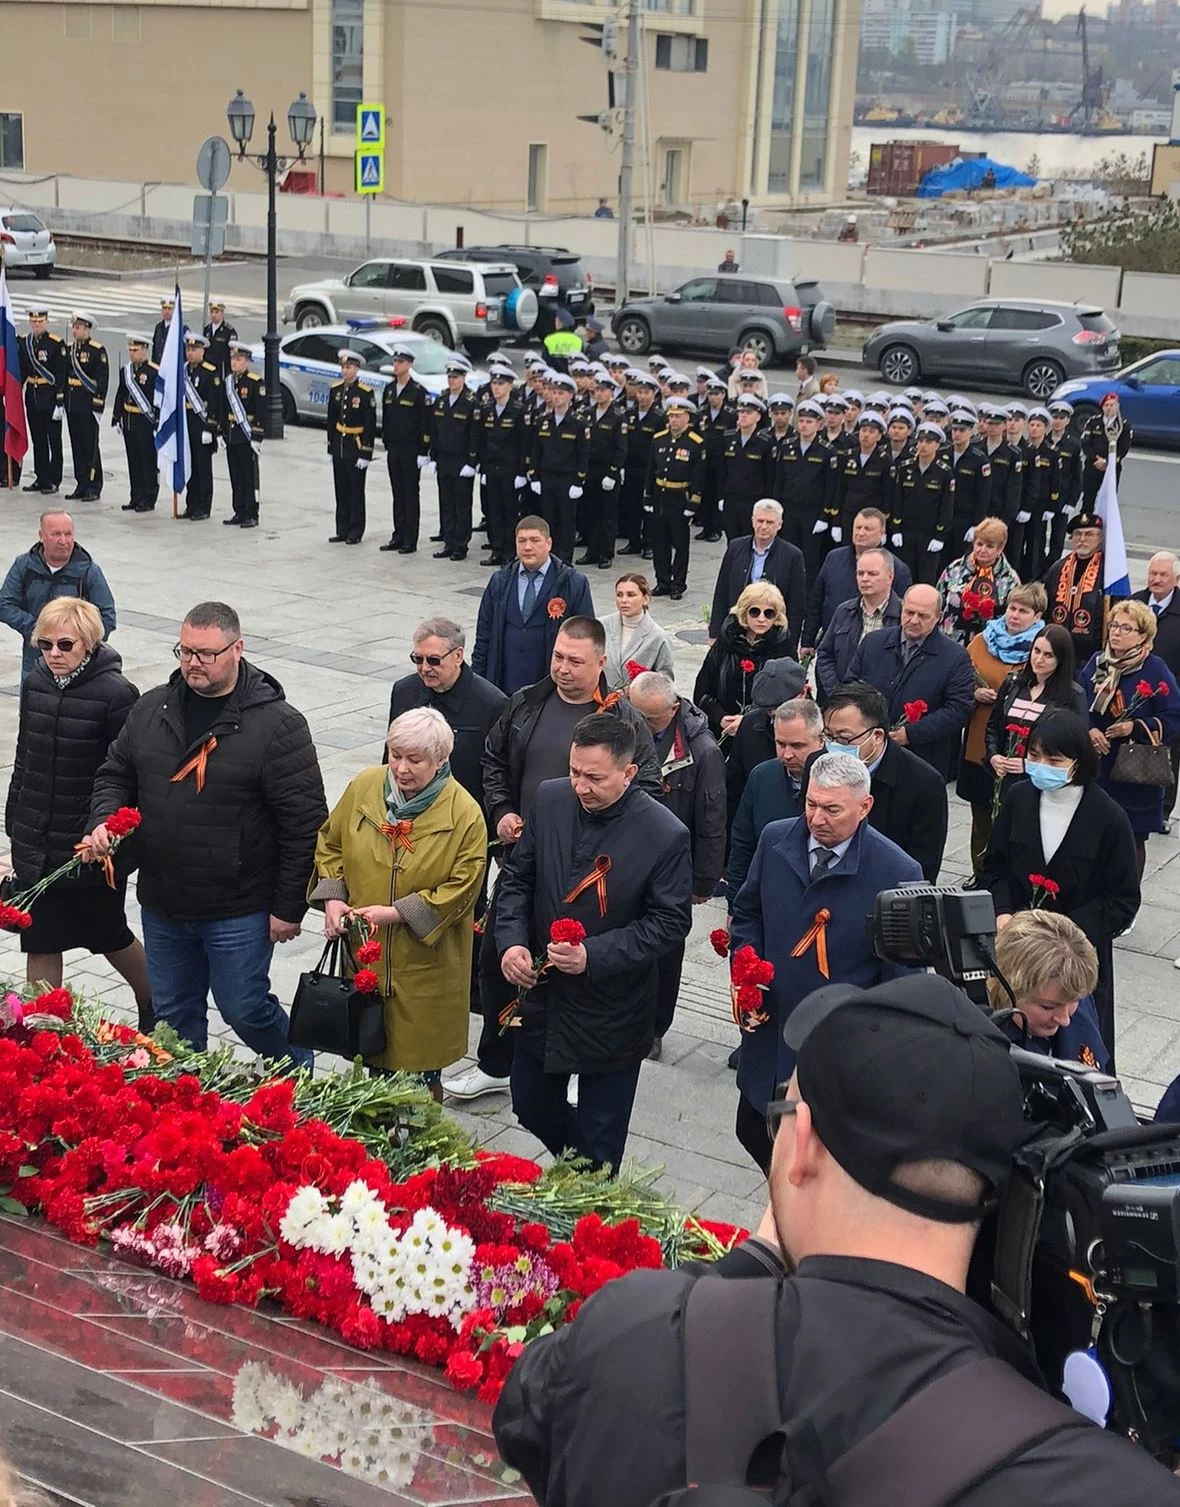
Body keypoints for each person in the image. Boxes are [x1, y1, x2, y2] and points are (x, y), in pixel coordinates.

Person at [493, 968, 1180, 1507]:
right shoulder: (1105, 1482)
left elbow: (528, 1411)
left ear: (804, 1145)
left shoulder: (632, 1332)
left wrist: (751, 1263)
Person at [85, 602, 327, 1065]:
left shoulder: (278, 725)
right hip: (163, 900)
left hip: (237, 906)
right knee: (173, 1017)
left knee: (245, 1008)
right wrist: (104, 817)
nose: (193, 662)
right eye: (185, 651)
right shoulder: (151, 707)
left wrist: (289, 906)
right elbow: (115, 773)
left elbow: (305, 823)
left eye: (206, 653)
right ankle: (186, 1108)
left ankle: (296, 1062)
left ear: (238, 649)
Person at [444, 617, 660, 1103]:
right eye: (558, 657)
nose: (563, 668)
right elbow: (493, 761)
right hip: (526, 859)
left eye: (575, 661)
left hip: (594, 877)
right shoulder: (526, 703)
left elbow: (645, 792)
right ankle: (496, 1061)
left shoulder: (625, 721)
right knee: (499, 958)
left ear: (601, 663)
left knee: (575, 972)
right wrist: (501, 811)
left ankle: (581, 1068)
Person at [495, 714, 692, 1171]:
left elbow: (668, 923)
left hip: (613, 1005)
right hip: (543, 995)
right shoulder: (550, 799)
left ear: (628, 774)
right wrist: (510, 942)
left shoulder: (664, 834)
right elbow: (518, 879)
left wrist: (593, 956)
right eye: (574, 772)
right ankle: (581, 1170)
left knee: (603, 1132)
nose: (580, 786)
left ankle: (589, 1195)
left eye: (595, 778)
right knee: (528, 1101)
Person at [730, 752, 922, 1170]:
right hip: (771, 1030)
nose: (816, 819)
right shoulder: (776, 839)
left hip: (832, 1048)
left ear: (864, 807)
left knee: (804, 1159)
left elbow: (903, 981)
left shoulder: (897, 872)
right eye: (811, 804)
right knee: (754, 1132)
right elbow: (748, 913)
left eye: (832, 809)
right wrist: (746, 969)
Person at [311, 708, 486, 1096]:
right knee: (370, 1059)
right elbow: (331, 843)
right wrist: (334, 899)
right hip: (366, 957)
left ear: (441, 760)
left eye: (415, 759)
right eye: (395, 755)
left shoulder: (465, 814)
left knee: (419, 1078)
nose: (402, 769)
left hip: (427, 967)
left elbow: (463, 887)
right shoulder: (364, 786)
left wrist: (395, 913)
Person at [5, 599, 152, 1031]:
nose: (53, 653)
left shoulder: (117, 694)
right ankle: (43, 1030)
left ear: (88, 644)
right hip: (37, 837)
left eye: (65, 644)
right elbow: (24, 756)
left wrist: (106, 834)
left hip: (88, 845)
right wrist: (15, 821)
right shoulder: (35, 684)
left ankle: (154, 1003)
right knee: (41, 935)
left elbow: (127, 774)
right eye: (45, 644)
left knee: (107, 932)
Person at [983, 709, 1140, 1062]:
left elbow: (1122, 901)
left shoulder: (1109, 818)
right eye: (1034, 756)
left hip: (1074, 960)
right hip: (1016, 952)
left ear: (1078, 761)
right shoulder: (1019, 798)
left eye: (1054, 759)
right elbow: (995, 868)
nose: (1041, 766)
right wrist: (1004, 912)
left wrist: (1062, 936)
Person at [629, 671, 726, 1058]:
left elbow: (712, 817)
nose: (639, 724)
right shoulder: (624, 730)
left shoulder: (702, 751)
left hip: (672, 868)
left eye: (649, 719)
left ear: (672, 709)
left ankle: (655, 1029)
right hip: (627, 858)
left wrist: (703, 880)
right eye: (634, 714)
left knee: (665, 951)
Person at [1079, 596, 1180, 877]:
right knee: (1092, 833)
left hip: (1135, 771)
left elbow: (1174, 716)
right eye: (1114, 625)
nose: (1116, 632)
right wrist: (1090, 728)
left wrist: (1134, 727)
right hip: (1098, 764)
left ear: (1143, 636)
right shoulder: (1101, 662)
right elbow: (1079, 700)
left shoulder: (1154, 667)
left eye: (1126, 628)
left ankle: (1127, 900)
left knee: (1131, 839)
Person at [814, 681, 948, 884]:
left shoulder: (924, 784)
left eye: (843, 739)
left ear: (877, 736)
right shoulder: (818, 764)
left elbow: (922, 870)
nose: (833, 746)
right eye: (828, 736)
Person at [956, 583, 1047, 875]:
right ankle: (979, 872)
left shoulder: (1041, 648)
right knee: (981, 813)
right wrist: (973, 693)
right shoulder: (983, 641)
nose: (1015, 615)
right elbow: (959, 678)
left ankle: (1004, 875)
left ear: (1037, 615)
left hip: (1017, 749)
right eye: (1011, 608)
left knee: (1010, 816)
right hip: (980, 743)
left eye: (1023, 611)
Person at [846, 584, 975, 780]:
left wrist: (910, 734)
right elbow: (850, 686)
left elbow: (958, 710)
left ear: (938, 617)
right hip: (866, 753)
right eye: (909, 612)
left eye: (923, 616)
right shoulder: (873, 643)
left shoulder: (955, 657)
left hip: (921, 760)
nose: (913, 620)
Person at [387, 617, 507, 815]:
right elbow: (389, 751)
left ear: (458, 656)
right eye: (418, 659)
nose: (425, 668)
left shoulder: (492, 704)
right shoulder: (404, 691)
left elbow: (497, 771)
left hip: (462, 813)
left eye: (433, 660)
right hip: (408, 811)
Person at [472, 516, 594, 696]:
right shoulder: (500, 582)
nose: (527, 547)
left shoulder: (573, 583)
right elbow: (484, 635)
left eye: (535, 540)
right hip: (504, 685)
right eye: (521, 541)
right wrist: (478, 682)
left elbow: (587, 638)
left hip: (550, 685)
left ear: (549, 543)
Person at [727, 696, 824, 900]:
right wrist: (735, 902)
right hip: (768, 894)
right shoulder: (761, 777)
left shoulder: (836, 783)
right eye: (781, 743)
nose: (787, 755)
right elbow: (743, 843)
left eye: (797, 746)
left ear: (821, 739)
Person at [985, 623, 1085, 818]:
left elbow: (1076, 747)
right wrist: (993, 755)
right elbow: (994, 726)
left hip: (1045, 783)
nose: (1039, 659)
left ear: (1061, 659)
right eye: (1036, 651)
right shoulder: (1013, 683)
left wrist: (1030, 764)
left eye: (1048, 655)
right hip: (1005, 777)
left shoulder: (1073, 695)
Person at [987, 909, 1108, 1069]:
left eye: (1074, 1002)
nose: (1065, 1020)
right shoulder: (986, 1049)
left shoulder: (1071, 993)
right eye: (1048, 1007)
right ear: (1007, 989)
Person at [0, 511, 116, 678]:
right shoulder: (24, 565)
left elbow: (107, 616)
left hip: (77, 668)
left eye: (68, 534)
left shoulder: (89, 571)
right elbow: (4, 604)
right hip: (34, 660)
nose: (64, 541)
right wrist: (39, 630)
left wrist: (77, 642)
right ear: (41, 536)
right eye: (56, 534)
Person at [695, 582, 795, 743]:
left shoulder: (782, 647)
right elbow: (703, 688)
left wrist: (748, 721)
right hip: (721, 730)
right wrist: (720, 717)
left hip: (762, 735)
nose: (761, 619)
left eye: (769, 613)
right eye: (755, 612)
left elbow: (787, 698)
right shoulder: (726, 641)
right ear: (744, 612)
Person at [800, 507, 911, 654]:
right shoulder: (833, 558)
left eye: (867, 528)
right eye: (858, 527)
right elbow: (816, 601)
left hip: (877, 650)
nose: (861, 532)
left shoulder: (897, 569)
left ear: (882, 533)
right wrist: (807, 640)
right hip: (833, 645)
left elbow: (903, 613)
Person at [723, 657, 809, 829]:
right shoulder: (750, 725)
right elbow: (733, 787)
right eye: (771, 713)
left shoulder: (823, 730)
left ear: (804, 692)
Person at [707, 500, 805, 649]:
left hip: (772, 633)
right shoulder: (735, 547)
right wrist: (715, 632)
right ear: (752, 521)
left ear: (779, 525)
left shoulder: (792, 556)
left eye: (770, 522)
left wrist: (790, 644)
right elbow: (722, 590)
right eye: (760, 520)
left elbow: (796, 604)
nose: (764, 526)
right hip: (736, 628)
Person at [815, 546, 900, 701]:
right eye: (860, 573)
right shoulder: (844, 611)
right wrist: (837, 693)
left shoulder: (903, 615)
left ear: (890, 576)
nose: (865, 578)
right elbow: (825, 654)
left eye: (872, 574)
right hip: (842, 701)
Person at [1133, 550, 1180, 822]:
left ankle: (1163, 809)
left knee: (1169, 752)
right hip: (1135, 692)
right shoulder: (1135, 603)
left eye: (1163, 575)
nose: (1157, 579)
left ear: (1175, 579)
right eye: (1153, 573)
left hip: (1171, 694)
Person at [646, 395, 705, 601]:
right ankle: (662, 581)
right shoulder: (659, 438)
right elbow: (650, 470)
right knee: (659, 541)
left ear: (688, 418)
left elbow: (699, 475)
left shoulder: (695, 443)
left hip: (680, 497)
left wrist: (693, 502)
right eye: (671, 416)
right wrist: (647, 496)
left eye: (678, 416)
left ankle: (678, 583)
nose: (674, 420)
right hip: (660, 495)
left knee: (680, 543)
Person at [775, 397, 839, 577]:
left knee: (809, 560)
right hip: (789, 509)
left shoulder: (827, 451)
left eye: (809, 422)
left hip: (812, 513)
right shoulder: (787, 447)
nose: (804, 425)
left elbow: (830, 487)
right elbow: (779, 481)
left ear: (819, 424)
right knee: (786, 556)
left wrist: (824, 516)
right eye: (801, 421)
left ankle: (808, 600)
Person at [378, 343, 430, 556]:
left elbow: (425, 422)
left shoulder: (418, 392)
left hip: (411, 450)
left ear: (409, 365)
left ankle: (410, 538)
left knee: (410, 494)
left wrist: (423, 450)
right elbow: (387, 419)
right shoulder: (390, 389)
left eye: (400, 362)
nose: (396, 365)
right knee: (397, 493)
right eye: (395, 361)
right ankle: (398, 534)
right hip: (395, 449)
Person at [937, 516, 1020, 647]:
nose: (982, 550)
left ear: (1000, 548)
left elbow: (1012, 617)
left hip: (987, 645)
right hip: (949, 641)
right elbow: (939, 599)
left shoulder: (1010, 578)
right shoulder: (955, 568)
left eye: (990, 546)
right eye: (979, 544)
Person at [427, 353, 479, 561]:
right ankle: (448, 542)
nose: (452, 380)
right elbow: (435, 431)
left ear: (464, 378)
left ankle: (460, 545)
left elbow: (475, 434)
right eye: (449, 377)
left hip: (461, 460)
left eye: (456, 377)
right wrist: (433, 456)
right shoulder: (441, 401)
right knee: (446, 502)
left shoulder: (471, 402)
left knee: (461, 504)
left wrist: (472, 462)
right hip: (444, 459)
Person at [890, 421, 954, 586]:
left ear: (937, 445)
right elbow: (897, 500)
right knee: (904, 578)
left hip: (929, 534)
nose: (923, 445)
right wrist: (896, 528)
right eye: (920, 441)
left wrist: (940, 535)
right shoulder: (905, 468)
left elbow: (947, 505)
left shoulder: (944, 472)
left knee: (926, 579)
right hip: (906, 532)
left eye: (929, 441)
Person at [1044, 512, 1109, 669]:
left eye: (1089, 534)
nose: (1082, 539)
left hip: (1090, 654)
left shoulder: (1108, 571)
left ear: (1100, 538)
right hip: (1057, 650)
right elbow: (1047, 606)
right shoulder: (1058, 568)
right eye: (1078, 534)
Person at [577, 373, 628, 570]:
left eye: (603, 390)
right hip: (590, 470)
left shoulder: (618, 417)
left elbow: (621, 448)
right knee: (590, 511)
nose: (598, 394)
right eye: (596, 390)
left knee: (607, 514)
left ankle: (606, 553)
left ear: (611, 392)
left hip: (607, 471)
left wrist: (614, 472)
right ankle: (592, 550)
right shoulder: (588, 414)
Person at [326, 350, 375, 545]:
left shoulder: (364, 392)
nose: (345, 371)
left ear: (357, 369)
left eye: (349, 367)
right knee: (341, 489)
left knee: (356, 490)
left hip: (356, 445)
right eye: (343, 367)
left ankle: (356, 529)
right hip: (340, 443)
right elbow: (331, 419)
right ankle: (342, 528)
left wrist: (366, 452)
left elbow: (370, 425)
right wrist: (331, 445)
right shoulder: (336, 390)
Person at [18, 307, 66, 496]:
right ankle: (41, 476)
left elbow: (61, 374)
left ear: (47, 321)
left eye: (40, 321)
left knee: (53, 440)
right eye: (34, 321)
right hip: (33, 395)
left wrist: (59, 401)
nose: (37, 325)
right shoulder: (25, 342)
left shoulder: (56, 344)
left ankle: (54, 479)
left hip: (50, 396)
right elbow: (22, 369)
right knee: (38, 439)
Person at [601, 572, 674, 692]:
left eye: (631, 595)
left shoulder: (658, 637)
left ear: (645, 599)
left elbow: (665, 682)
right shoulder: (601, 625)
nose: (623, 600)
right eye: (619, 595)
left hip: (637, 705)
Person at [111, 334, 159, 514]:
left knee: (147, 461)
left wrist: (157, 423)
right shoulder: (126, 371)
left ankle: (149, 497)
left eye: (135, 350)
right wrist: (116, 417)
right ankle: (136, 496)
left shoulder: (154, 371)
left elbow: (158, 400)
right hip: (129, 421)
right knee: (134, 461)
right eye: (130, 350)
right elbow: (120, 394)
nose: (131, 354)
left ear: (145, 350)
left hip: (145, 422)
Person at [178, 332, 223, 522]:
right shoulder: (184, 371)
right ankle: (192, 504)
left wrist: (211, 428)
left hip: (201, 425)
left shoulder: (210, 373)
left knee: (203, 469)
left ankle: (204, 506)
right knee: (190, 468)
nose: (190, 353)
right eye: (188, 349)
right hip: (187, 425)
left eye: (194, 349)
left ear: (202, 351)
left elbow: (215, 403)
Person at [618, 372, 664, 557]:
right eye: (640, 392)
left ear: (654, 394)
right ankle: (634, 541)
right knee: (631, 505)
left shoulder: (660, 417)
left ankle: (649, 544)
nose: (642, 396)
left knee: (649, 507)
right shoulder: (628, 414)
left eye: (646, 392)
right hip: (631, 467)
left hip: (649, 467)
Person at [63, 311, 107, 502]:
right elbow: (65, 377)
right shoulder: (71, 350)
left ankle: (94, 485)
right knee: (77, 446)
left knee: (90, 446)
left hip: (88, 405)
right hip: (73, 404)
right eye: (74, 327)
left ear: (87, 329)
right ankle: (81, 483)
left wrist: (98, 404)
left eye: (78, 327)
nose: (75, 330)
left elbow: (102, 380)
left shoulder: (97, 351)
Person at [719, 396, 775, 540]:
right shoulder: (728, 438)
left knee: (750, 541)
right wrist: (721, 496)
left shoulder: (765, 443)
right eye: (741, 412)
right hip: (731, 497)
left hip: (752, 499)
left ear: (758, 416)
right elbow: (722, 471)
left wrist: (766, 503)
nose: (743, 415)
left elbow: (770, 476)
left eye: (748, 412)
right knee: (732, 541)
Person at [222, 342, 265, 529]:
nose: (234, 363)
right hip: (232, 434)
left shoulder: (255, 383)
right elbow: (223, 409)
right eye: (233, 359)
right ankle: (239, 510)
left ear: (247, 362)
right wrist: (221, 433)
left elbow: (260, 412)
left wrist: (257, 436)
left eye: (238, 359)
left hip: (246, 435)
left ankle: (251, 513)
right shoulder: (229, 382)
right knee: (236, 475)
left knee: (249, 476)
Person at [945, 408, 993, 561]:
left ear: (971, 432)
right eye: (954, 429)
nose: (957, 434)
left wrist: (976, 525)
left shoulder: (979, 460)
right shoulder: (943, 454)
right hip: (944, 516)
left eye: (962, 430)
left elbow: (983, 495)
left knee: (960, 560)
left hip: (964, 518)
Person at [1081, 392, 1132, 509]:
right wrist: (1096, 459)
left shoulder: (1123, 425)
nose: (1109, 408)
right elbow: (1086, 443)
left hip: (1112, 467)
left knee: (1109, 501)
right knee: (1088, 498)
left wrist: (1107, 462)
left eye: (1112, 405)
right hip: (1093, 465)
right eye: (1106, 405)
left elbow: (1123, 449)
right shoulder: (1093, 422)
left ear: (1118, 406)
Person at [202, 297, 237, 379]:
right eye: (211, 312)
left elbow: (233, 353)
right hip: (208, 368)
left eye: (216, 312)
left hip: (222, 370)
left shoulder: (229, 331)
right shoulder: (207, 329)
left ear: (222, 313)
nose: (213, 315)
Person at [151, 295, 174, 365]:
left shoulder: (180, 329)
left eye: (170, 309)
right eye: (164, 308)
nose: (166, 311)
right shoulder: (158, 327)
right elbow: (155, 350)